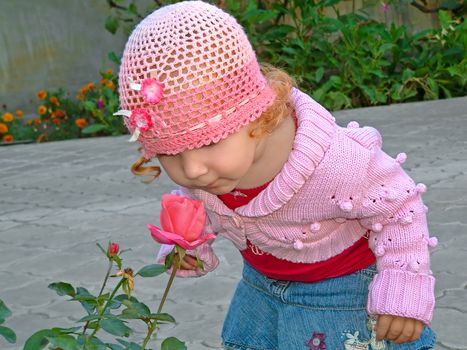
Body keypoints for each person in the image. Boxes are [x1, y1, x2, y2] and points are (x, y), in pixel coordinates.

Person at [116, 1, 437, 349]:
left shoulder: (335, 163)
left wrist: (404, 286)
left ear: (257, 115)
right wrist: (189, 246)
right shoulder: (211, 173)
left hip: (343, 290)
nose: (192, 170)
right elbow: (196, 206)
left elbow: (399, 206)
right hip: (261, 287)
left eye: (208, 143)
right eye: (170, 153)